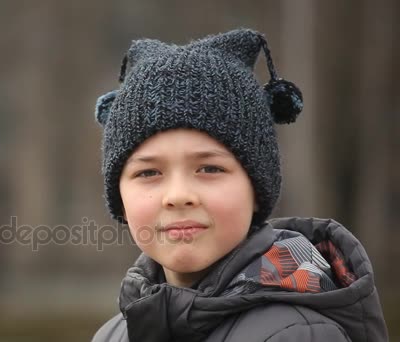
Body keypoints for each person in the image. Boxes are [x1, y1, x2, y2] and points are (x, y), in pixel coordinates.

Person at [91, 28, 388, 342]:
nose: (178, 196)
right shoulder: (113, 335)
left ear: (256, 190)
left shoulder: (298, 334)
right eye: (149, 173)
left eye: (209, 168)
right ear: (119, 197)